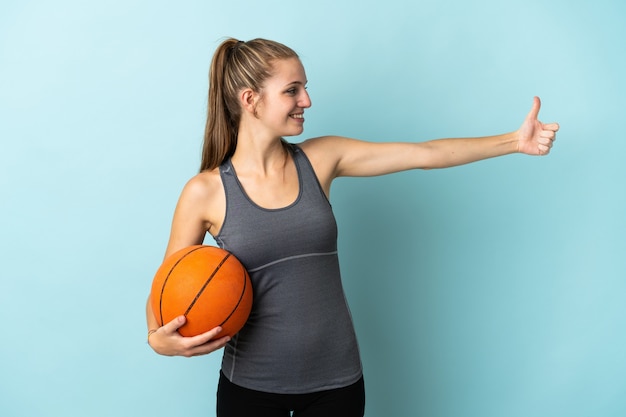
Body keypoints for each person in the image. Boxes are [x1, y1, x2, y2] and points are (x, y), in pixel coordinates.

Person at [146, 38, 559, 417]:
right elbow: (167, 288)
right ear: (251, 99)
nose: (306, 100)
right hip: (250, 388)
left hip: (337, 385)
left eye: (304, 88)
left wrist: (513, 141)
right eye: (292, 90)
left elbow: (423, 154)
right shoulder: (205, 191)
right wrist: (156, 338)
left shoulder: (322, 159)